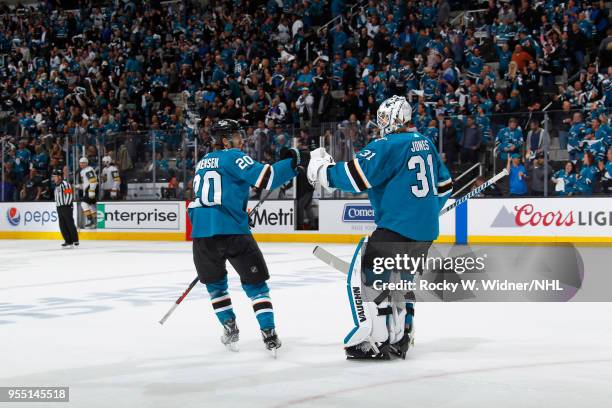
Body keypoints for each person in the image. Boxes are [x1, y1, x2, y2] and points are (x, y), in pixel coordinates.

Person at [307, 95, 453, 360]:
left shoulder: (387, 145)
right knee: (404, 283)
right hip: (425, 232)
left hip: (395, 229)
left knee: (370, 281)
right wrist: (427, 209)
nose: (380, 123)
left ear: (396, 118)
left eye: (384, 118)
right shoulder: (427, 143)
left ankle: (377, 341)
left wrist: (321, 171)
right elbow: (445, 186)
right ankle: (403, 336)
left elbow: (354, 176)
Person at [188, 119, 300, 354]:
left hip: (202, 236)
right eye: (237, 136)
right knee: (256, 285)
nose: (242, 140)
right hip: (233, 233)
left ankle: (230, 329)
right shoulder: (231, 156)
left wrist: (236, 212)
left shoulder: (202, 163)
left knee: (216, 288)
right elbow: (266, 178)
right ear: (225, 140)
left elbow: (208, 198)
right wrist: (293, 162)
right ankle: (269, 333)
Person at [52, 169, 79, 248]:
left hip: (66, 207)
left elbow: (69, 195)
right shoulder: (56, 185)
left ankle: (75, 240)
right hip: (60, 207)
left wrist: (66, 205)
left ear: (59, 177)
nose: (54, 178)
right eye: (53, 176)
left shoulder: (65, 184)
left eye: (55, 176)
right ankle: (68, 241)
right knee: (62, 225)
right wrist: (58, 205)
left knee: (69, 224)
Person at [78, 157, 98, 228]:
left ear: (86, 163)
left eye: (83, 163)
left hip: (90, 190)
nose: (81, 164)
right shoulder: (83, 171)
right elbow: (85, 182)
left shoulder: (88, 170)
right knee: (91, 206)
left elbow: (93, 180)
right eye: (80, 163)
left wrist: (91, 190)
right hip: (87, 190)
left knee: (84, 204)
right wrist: (79, 186)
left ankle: (90, 221)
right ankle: (95, 222)